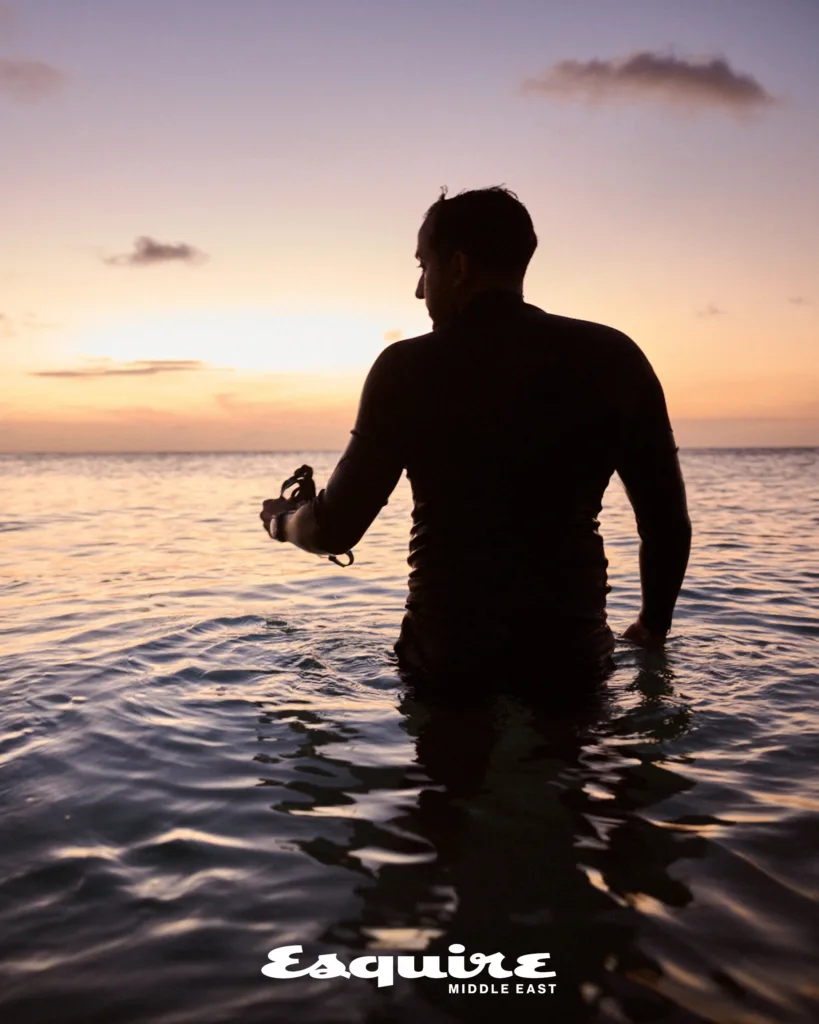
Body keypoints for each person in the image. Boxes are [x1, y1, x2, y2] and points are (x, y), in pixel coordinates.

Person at [261, 186, 692, 685]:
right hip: (571, 662)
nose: (419, 290)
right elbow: (667, 525)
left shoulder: (409, 368)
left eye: (423, 266)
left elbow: (335, 529)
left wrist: (282, 521)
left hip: (447, 663)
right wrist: (652, 626)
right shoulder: (615, 358)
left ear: (458, 267)